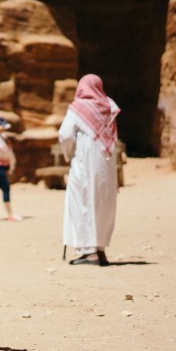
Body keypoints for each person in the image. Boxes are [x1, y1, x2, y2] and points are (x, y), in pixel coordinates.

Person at [59, 74, 120, 266]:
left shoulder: (78, 108)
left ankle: (89, 251)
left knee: (82, 200)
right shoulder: (109, 106)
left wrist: (69, 154)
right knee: (102, 202)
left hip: (85, 161)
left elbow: (65, 134)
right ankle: (99, 249)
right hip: (106, 162)